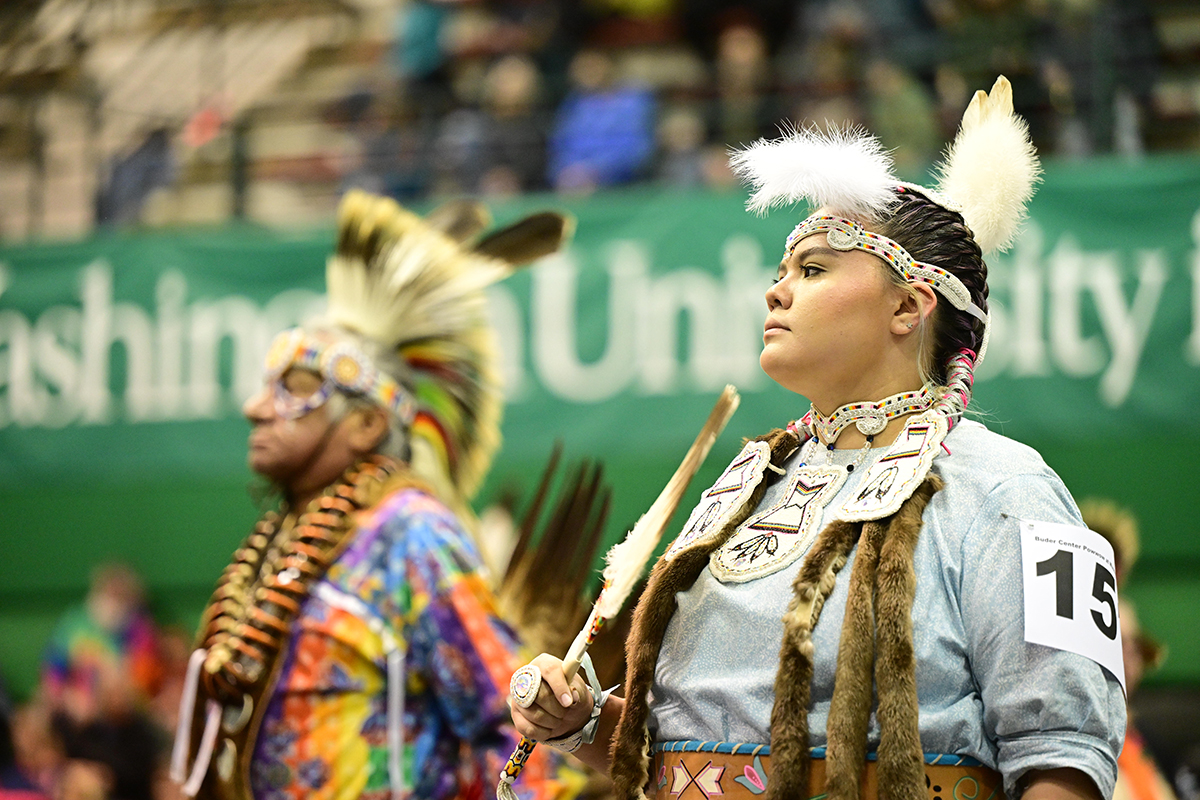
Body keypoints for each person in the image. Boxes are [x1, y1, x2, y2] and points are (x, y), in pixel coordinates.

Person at [508, 76, 1125, 800]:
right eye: (780, 272)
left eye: (813, 268)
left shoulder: (1009, 494)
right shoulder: (746, 488)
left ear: (907, 304)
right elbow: (687, 754)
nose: (776, 291)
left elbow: (1062, 755)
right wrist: (582, 721)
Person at [169, 191, 578, 800]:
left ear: (364, 425)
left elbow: (520, 731)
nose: (257, 409)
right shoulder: (277, 543)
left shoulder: (413, 535)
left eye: (295, 390)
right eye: (265, 389)